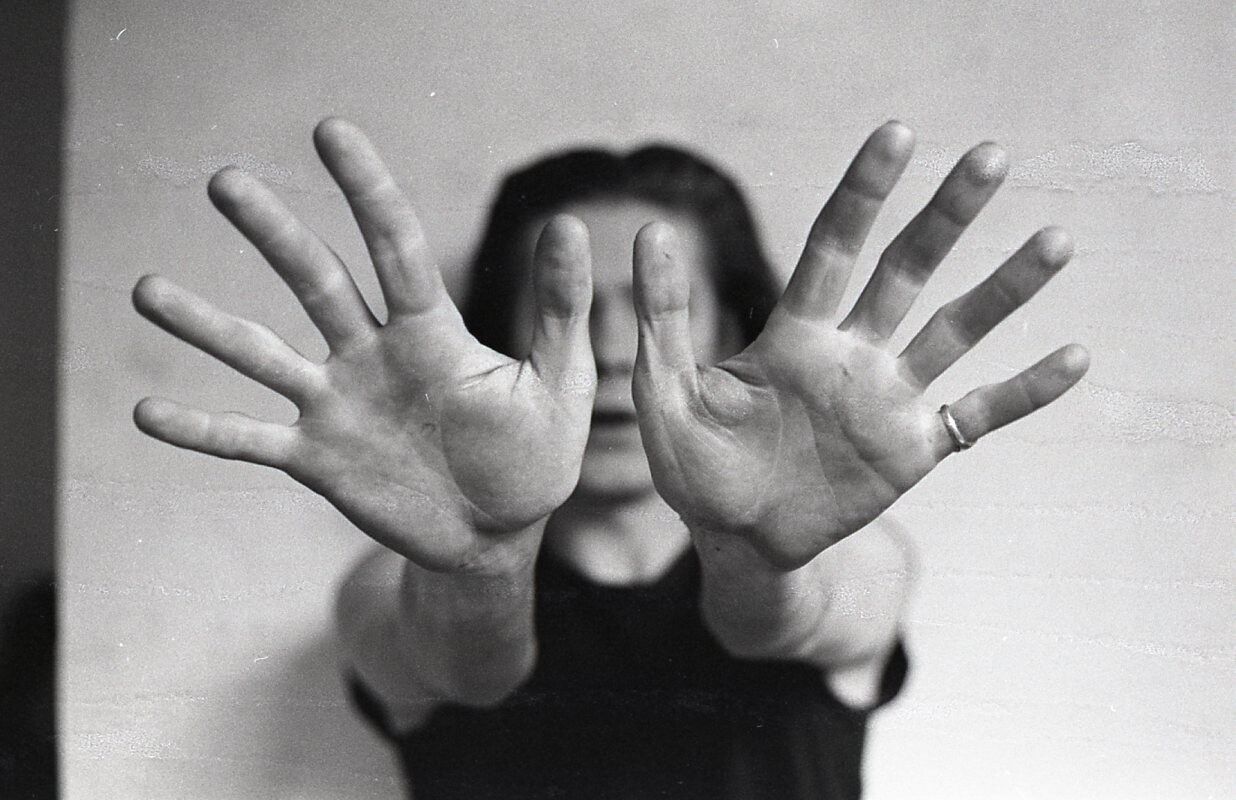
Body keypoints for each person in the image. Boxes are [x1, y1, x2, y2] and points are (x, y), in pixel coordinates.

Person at [131, 118, 1088, 798]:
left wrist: (752, 552)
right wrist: (484, 557)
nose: (621, 348)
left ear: (731, 331)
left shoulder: (860, 560)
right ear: (497, 337)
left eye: (660, 305)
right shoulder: (392, 586)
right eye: (574, 308)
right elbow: (466, 665)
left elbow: (790, 622)